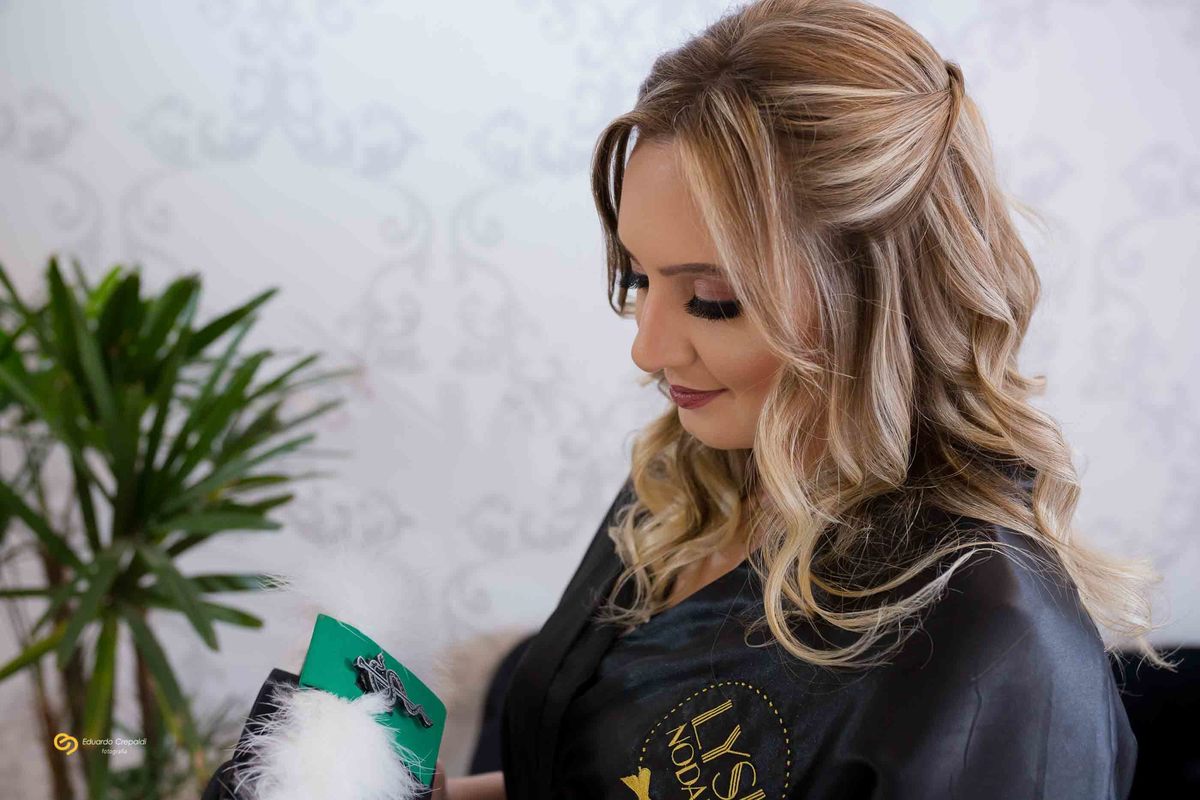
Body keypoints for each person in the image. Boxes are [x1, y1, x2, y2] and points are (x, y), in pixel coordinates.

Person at [205, 0, 1172, 798]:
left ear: (876, 302)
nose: (648, 347)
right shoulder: (687, 482)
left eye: (711, 299)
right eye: (638, 279)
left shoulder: (993, 646)